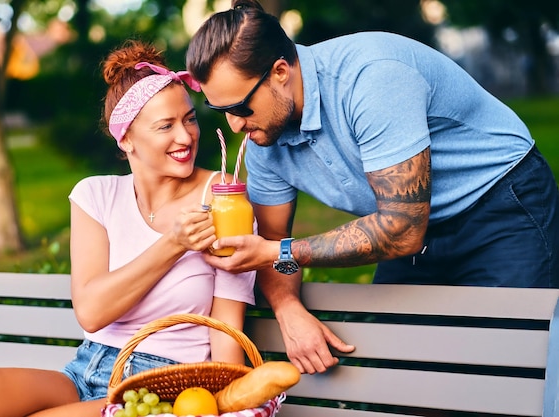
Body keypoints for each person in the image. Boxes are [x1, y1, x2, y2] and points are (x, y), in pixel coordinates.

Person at [185, 0, 559, 375]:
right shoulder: (265, 139)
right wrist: (288, 310)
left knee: (514, 363)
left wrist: (280, 251)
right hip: (409, 226)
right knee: (398, 371)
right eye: (223, 112)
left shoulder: (371, 78)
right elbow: (271, 240)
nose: (235, 126)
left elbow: (401, 229)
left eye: (242, 107)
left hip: (499, 202)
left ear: (281, 71)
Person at [0, 39, 255, 417]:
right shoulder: (96, 196)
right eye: (165, 125)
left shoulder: (222, 199)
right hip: (85, 371)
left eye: (189, 119)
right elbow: (91, 312)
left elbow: (225, 330)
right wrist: (173, 244)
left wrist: (225, 400)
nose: (185, 136)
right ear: (127, 139)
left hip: (165, 387)